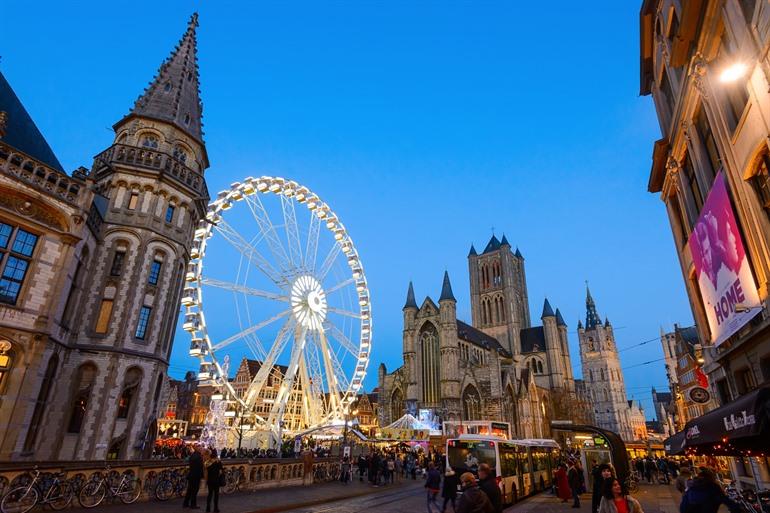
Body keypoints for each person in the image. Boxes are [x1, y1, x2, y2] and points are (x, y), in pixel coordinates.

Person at [183, 444, 204, 509]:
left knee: (189, 490)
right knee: (194, 491)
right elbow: (200, 467)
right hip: (196, 476)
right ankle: (193, 504)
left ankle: (185, 503)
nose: (201, 449)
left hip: (191, 474)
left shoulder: (193, 455)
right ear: (197, 449)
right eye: (200, 448)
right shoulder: (198, 456)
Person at [204, 448, 222, 513]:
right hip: (216, 480)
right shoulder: (218, 462)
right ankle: (215, 508)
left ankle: (208, 508)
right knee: (216, 495)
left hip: (210, 481)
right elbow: (220, 472)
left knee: (210, 494)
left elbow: (206, 472)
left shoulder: (207, 462)